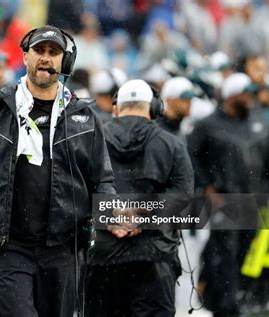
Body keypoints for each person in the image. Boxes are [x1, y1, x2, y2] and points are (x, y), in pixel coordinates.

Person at [0, 25, 115, 317]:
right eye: (39, 51)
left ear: (64, 62)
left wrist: (111, 217)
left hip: (62, 249)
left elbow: (103, 180)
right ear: (25, 55)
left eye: (53, 52)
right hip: (7, 248)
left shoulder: (83, 117)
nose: (45, 58)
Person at [86, 79, 194, 316]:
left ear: (115, 107)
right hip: (154, 260)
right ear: (155, 108)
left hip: (101, 257)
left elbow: (73, 192)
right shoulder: (172, 145)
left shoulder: (91, 140)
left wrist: (110, 217)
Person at [188, 73, 269, 316]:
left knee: (249, 253)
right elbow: (191, 157)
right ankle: (226, 305)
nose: (251, 98)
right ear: (231, 96)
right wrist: (206, 185)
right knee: (224, 253)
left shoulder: (257, 120)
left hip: (256, 201)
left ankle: (241, 298)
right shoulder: (208, 124)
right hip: (226, 199)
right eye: (246, 93)